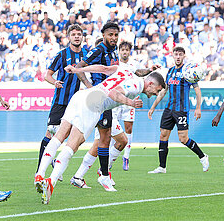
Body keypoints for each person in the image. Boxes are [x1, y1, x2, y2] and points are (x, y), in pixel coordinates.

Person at [37, 64, 165, 204]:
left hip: (82, 94)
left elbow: (104, 69)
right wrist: (130, 102)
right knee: (72, 145)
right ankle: (51, 182)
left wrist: (77, 70)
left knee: (59, 137)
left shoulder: (127, 69)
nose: (156, 94)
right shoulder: (136, 86)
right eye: (157, 90)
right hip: (94, 103)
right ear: (151, 83)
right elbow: (112, 92)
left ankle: (39, 175)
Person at [70, 41, 160, 188]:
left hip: (110, 108)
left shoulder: (124, 67)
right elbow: (104, 81)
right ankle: (78, 174)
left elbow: (138, 73)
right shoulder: (104, 68)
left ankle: (101, 171)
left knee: (121, 141)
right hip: (100, 103)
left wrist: (149, 70)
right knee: (95, 142)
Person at [35, 24, 87, 180]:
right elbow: (48, 75)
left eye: (79, 34)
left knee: (78, 137)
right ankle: (40, 170)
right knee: (50, 132)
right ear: (69, 37)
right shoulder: (62, 55)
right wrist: (55, 83)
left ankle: (57, 163)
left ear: (82, 37)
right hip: (61, 102)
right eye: (74, 34)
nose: (77, 36)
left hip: (79, 103)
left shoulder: (88, 55)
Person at [148, 46, 209, 174]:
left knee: (183, 139)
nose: (178, 57)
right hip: (169, 109)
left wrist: (198, 108)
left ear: (184, 56)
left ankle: (203, 157)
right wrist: (153, 107)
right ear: (173, 55)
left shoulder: (188, 71)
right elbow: (163, 91)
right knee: (163, 135)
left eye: (180, 54)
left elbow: (197, 91)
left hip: (181, 110)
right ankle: (162, 167)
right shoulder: (170, 71)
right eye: (176, 54)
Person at [74, 22, 120, 191]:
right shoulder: (99, 50)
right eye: (110, 35)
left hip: (106, 99)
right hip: (99, 98)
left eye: (116, 35)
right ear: (104, 35)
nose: (113, 38)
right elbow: (78, 68)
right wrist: (89, 85)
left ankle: (101, 175)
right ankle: (102, 176)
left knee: (105, 138)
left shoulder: (113, 52)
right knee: (86, 138)